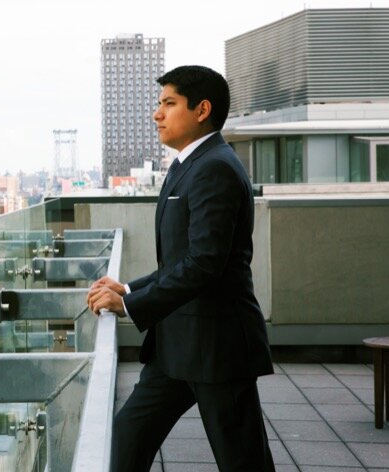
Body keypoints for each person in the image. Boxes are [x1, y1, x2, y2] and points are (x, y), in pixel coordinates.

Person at [88, 65, 274, 472]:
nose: (158, 114)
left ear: (202, 109)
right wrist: (129, 290)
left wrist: (131, 307)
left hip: (216, 344)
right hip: (177, 345)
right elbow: (179, 262)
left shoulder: (216, 168)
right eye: (160, 104)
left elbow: (204, 263)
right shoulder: (186, 166)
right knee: (124, 440)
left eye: (169, 104)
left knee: (243, 462)